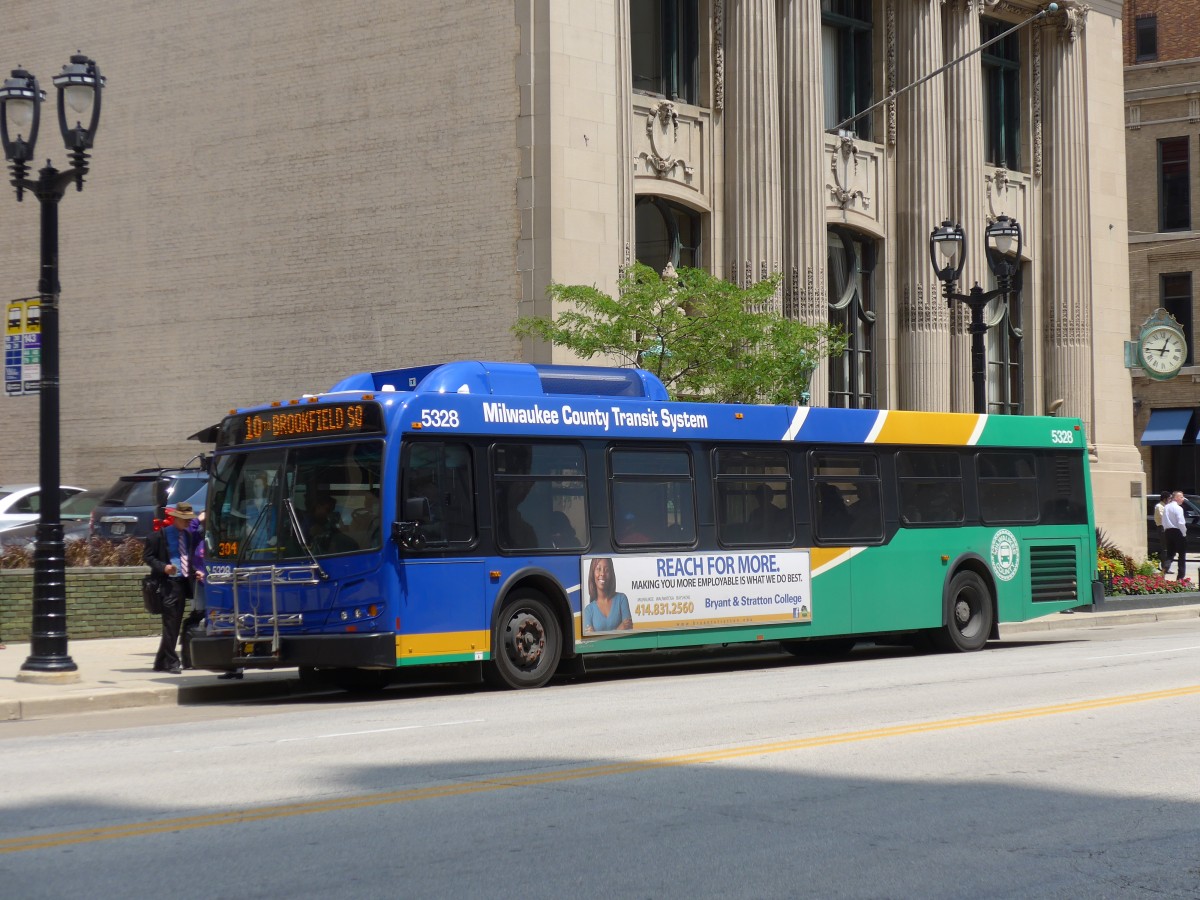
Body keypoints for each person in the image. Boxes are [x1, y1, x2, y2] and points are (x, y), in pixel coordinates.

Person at [143, 501, 199, 674]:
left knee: (173, 624)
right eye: (185, 520)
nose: (188, 523)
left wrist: (195, 572)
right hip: (167, 584)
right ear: (176, 518)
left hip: (182, 584)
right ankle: (172, 661)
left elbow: (188, 558)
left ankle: (160, 662)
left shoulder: (188, 537)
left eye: (190, 520)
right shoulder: (159, 536)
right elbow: (148, 557)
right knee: (170, 624)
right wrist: (164, 567)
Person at [583, 557, 633, 633]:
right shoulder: (588, 610)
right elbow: (591, 640)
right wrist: (619, 629)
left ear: (611, 574)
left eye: (606, 570)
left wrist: (597, 635)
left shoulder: (621, 599)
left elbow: (628, 629)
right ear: (592, 574)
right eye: (598, 569)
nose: (602, 573)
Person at [1161, 491, 1188, 582]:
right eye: (1181, 497)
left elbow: (1164, 521)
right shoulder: (1178, 508)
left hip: (1168, 532)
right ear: (1175, 498)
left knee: (1170, 554)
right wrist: (1184, 533)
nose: (1183, 498)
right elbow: (1181, 522)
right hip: (1178, 532)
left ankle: (1163, 571)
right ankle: (1180, 577)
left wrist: (1166, 530)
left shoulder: (1166, 507)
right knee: (1181, 555)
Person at [1154, 490, 1171, 572]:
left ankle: (1167, 567)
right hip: (1162, 528)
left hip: (1167, 528)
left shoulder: (1166, 506)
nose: (1170, 500)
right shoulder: (1159, 506)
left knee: (1168, 548)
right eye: (1169, 498)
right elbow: (1164, 517)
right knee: (1165, 549)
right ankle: (1165, 567)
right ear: (1165, 499)